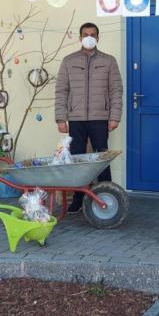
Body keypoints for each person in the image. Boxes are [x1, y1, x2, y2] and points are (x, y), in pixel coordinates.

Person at [55, 22, 123, 213]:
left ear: (98, 37)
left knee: (101, 158)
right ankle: (78, 198)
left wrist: (114, 116)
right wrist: (61, 118)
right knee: (77, 160)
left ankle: (108, 196)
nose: (89, 37)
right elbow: (61, 91)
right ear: (80, 37)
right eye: (85, 34)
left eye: (93, 34)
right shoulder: (68, 61)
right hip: (75, 119)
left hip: (100, 118)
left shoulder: (109, 61)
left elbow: (116, 90)